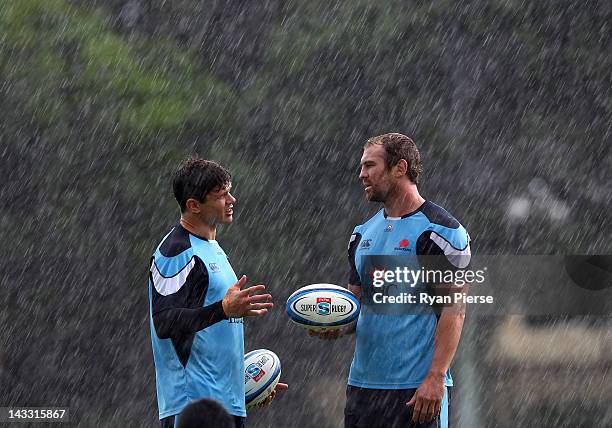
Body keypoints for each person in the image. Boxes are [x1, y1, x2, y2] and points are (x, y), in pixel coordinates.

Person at [312, 133, 470, 428]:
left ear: (400, 168)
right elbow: (355, 306)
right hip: (363, 389)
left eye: (370, 165)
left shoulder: (439, 232)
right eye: (362, 166)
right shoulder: (361, 235)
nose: (361, 174)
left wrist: (436, 377)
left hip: (416, 390)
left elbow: (454, 311)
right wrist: (334, 324)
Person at [148, 157, 288, 428]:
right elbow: (165, 322)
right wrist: (223, 310)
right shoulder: (176, 251)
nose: (232, 199)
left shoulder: (211, 247)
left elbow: (211, 334)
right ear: (194, 205)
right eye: (221, 195)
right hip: (194, 408)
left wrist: (250, 385)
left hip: (225, 404)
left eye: (229, 191)